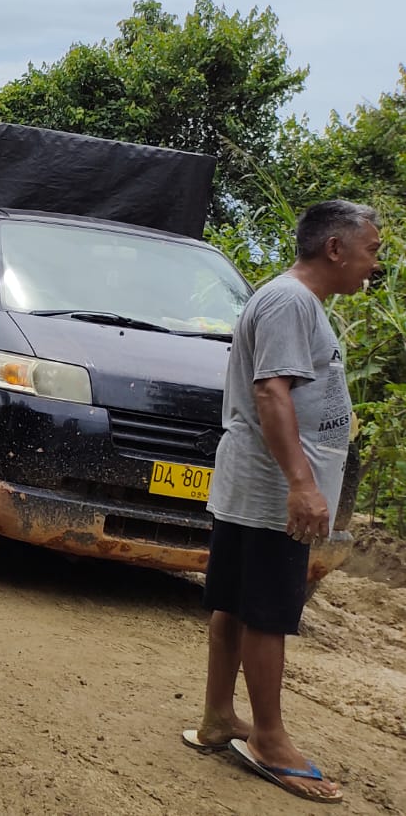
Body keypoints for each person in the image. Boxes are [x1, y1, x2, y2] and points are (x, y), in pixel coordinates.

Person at [187, 200, 380, 805]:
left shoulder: (293, 301)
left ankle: (220, 716)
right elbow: (271, 392)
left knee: (235, 602)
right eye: (371, 250)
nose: (374, 265)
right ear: (335, 248)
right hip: (273, 488)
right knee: (267, 611)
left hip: (259, 482)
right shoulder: (291, 301)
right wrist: (302, 484)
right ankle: (269, 741)